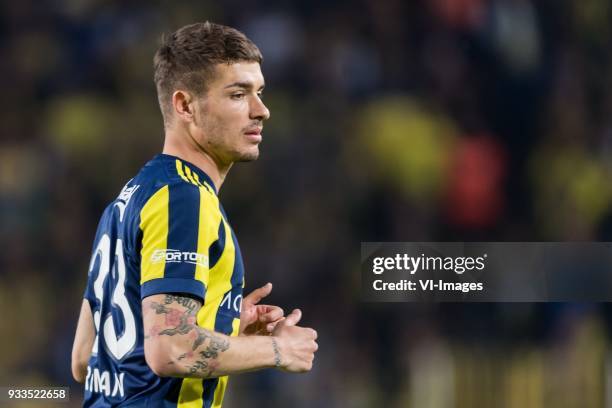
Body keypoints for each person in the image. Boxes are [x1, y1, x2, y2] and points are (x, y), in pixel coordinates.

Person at [71, 21, 318, 407]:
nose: (262, 111)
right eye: (238, 94)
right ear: (185, 105)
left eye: (260, 92)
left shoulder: (129, 196)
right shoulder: (183, 199)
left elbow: (84, 359)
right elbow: (171, 350)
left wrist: (224, 328)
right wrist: (278, 351)